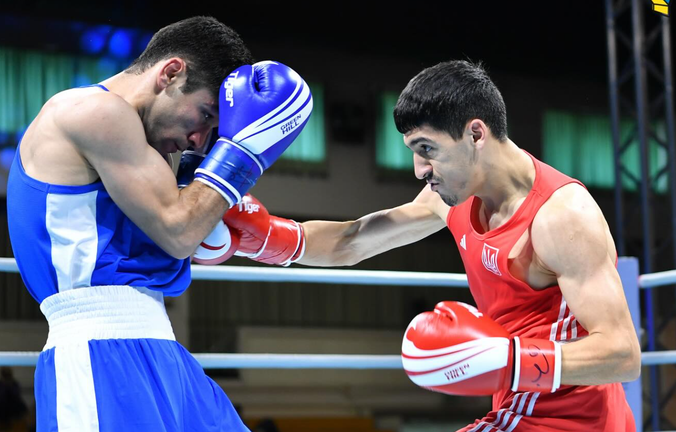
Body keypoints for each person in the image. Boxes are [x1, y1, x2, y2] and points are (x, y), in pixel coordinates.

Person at [218, 60, 641, 431]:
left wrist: (510, 360)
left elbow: (623, 354)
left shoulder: (560, 216)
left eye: (427, 149)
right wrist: (272, 239)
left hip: (575, 420)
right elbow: (353, 240)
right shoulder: (451, 198)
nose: (420, 169)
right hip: (517, 411)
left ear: (476, 133)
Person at [7, 15, 312, 432]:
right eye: (205, 115)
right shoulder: (92, 110)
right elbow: (179, 231)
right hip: (98, 355)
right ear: (171, 73)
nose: (199, 142)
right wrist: (242, 156)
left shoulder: (152, 149)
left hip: (162, 348)